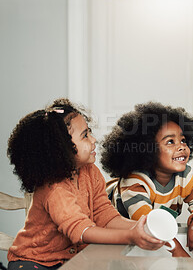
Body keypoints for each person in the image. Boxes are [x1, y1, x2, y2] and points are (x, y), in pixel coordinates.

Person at [6, 98, 164, 270]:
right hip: (34, 263)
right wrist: (131, 236)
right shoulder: (55, 189)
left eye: (89, 132)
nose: (94, 139)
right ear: (61, 149)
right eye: (85, 135)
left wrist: (142, 225)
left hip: (69, 259)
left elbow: (105, 215)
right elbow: (81, 231)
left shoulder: (90, 171)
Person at [100, 102, 193, 257]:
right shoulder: (134, 183)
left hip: (147, 239)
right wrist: (178, 252)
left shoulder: (186, 177)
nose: (181, 146)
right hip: (113, 237)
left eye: (183, 140)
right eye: (170, 142)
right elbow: (149, 224)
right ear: (148, 150)